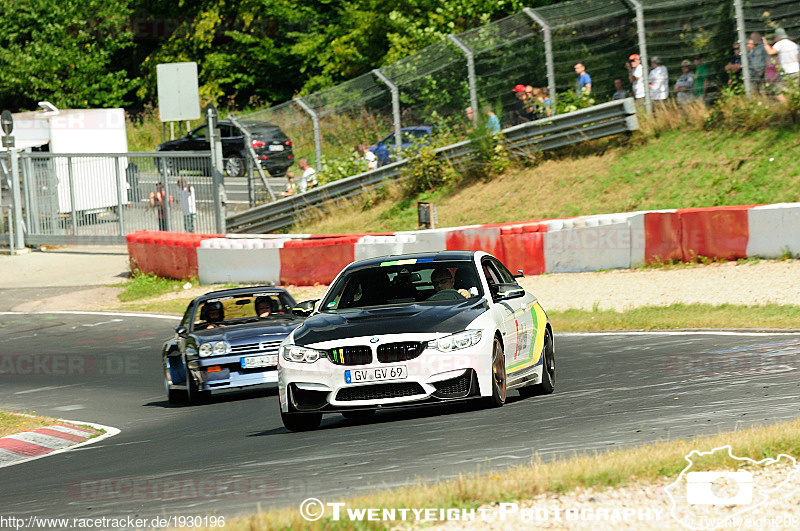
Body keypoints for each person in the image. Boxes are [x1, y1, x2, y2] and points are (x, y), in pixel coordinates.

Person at [763, 28, 800, 102]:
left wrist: (765, 43)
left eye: (775, 37)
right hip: (797, 71)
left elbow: (770, 52)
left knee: (777, 90)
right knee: (795, 91)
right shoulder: (795, 45)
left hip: (787, 73)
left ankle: (786, 105)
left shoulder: (780, 43)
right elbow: (797, 59)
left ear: (778, 36)